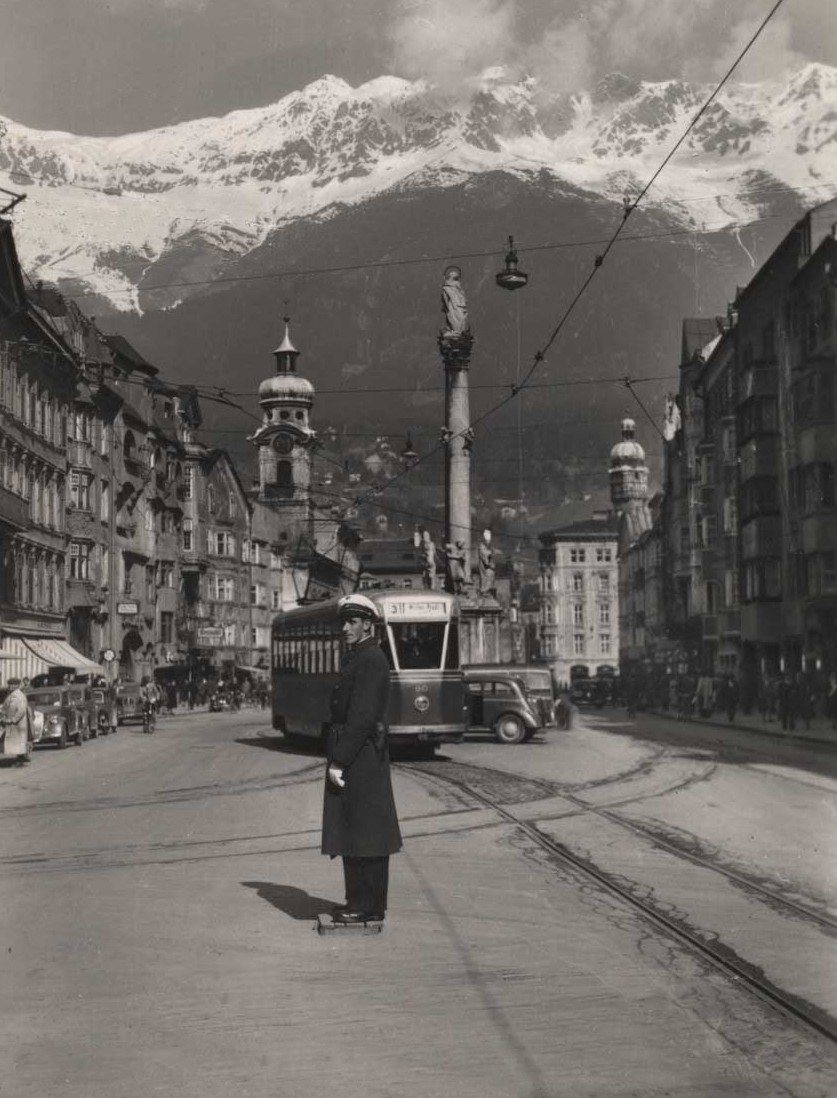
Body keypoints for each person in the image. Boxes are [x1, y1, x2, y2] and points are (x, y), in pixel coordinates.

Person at [322, 593, 402, 925]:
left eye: (351, 622)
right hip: (363, 754)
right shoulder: (363, 656)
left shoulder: (370, 660)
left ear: (367, 624)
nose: (345, 628)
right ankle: (361, 901)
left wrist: (339, 760)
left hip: (361, 756)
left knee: (363, 831)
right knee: (358, 828)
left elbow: (362, 716)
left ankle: (365, 904)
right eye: (344, 621)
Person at [1, 677, 33, 765]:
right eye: (9, 684)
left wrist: (13, 719)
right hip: (12, 723)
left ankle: (21, 760)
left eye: (11, 684)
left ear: (16, 686)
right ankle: (20, 759)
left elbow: (21, 710)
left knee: (20, 742)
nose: (9, 686)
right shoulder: (11, 695)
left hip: (18, 724)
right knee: (16, 742)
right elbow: (5, 707)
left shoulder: (20, 696)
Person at [440, 265, 469, 337]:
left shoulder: (458, 286)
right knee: (455, 318)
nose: (457, 280)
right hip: (453, 306)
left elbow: (462, 294)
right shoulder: (447, 287)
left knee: (462, 318)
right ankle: (457, 332)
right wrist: (447, 308)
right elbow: (445, 298)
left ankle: (459, 332)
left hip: (460, 305)